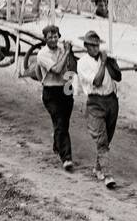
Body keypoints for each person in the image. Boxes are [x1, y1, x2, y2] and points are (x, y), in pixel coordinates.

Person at [75, 30, 122, 188]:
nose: (95, 48)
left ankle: (98, 167)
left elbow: (118, 77)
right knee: (101, 140)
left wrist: (110, 62)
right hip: (95, 102)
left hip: (111, 101)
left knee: (107, 138)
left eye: (97, 45)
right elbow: (97, 82)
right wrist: (102, 63)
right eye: (92, 46)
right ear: (86, 46)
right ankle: (108, 175)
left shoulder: (105, 59)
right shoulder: (82, 63)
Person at [33, 24, 76, 171]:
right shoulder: (42, 54)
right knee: (60, 122)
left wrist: (69, 52)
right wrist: (67, 52)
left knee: (64, 122)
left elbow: (71, 66)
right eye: (50, 37)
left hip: (66, 88)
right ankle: (66, 158)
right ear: (44, 39)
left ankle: (58, 144)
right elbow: (57, 70)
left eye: (55, 36)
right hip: (51, 91)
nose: (53, 39)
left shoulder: (63, 49)